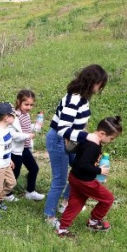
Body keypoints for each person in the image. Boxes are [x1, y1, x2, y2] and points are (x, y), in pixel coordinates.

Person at [44, 64, 108, 228]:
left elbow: (79, 124)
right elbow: (62, 129)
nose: (100, 87)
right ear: (92, 81)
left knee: (79, 170)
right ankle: (49, 216)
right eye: (100, 83)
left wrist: (84, 136)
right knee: (59, 179)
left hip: (73, 141)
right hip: (59, 140)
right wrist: (88, 136)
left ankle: (66, 202)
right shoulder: (74, 99)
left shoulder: (84, 98)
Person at [57, 116, 122, 237]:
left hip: (75, 177)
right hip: (85, 181)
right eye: (111, 138)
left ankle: (62, 228)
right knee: (108, 199)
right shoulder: (93, 146)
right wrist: (99, 170)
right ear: (102, 134)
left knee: (76, 203)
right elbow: (83, 164)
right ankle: (94, 222)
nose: (111, 141)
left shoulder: (88, 138)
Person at [5, 90, 45, 202]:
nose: (29, 107)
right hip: (16, 150)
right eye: (26, 104)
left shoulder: (26, 115)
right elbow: (12, 134)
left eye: (31, 105)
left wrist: (35, 126)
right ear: (18, 102)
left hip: (25, 148)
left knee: (34, 168)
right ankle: (7, 194)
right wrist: (27, 136)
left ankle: (30, 192)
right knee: (15, 172)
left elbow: (26, 128)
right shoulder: (14, 117)